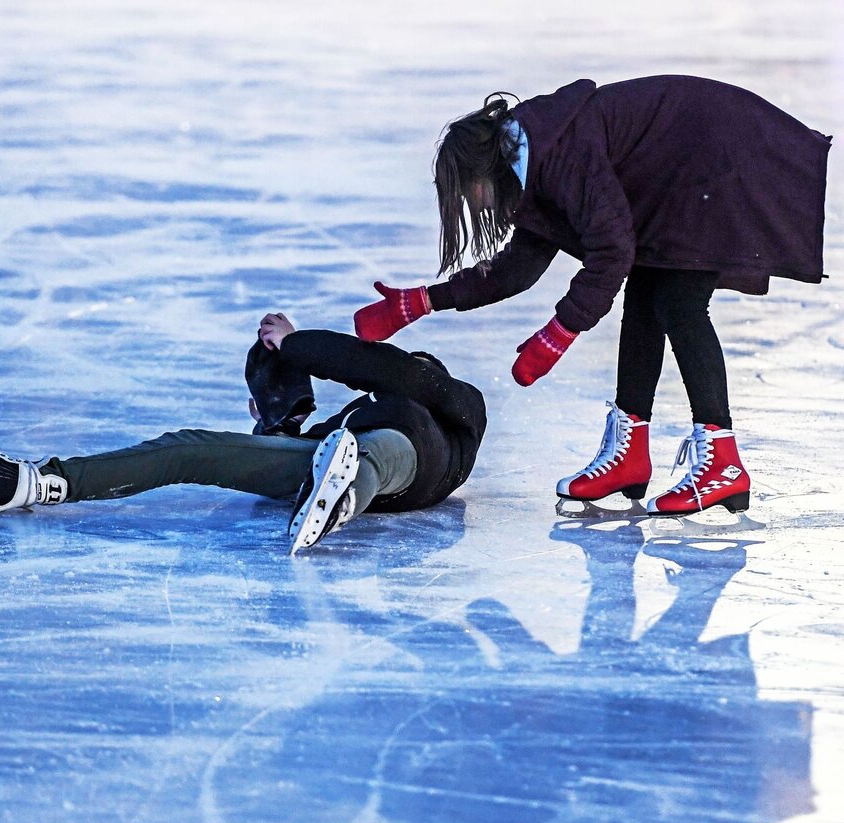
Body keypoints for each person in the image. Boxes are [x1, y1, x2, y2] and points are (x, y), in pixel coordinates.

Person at [353, 75, 831, 517]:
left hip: (717, 157)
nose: (470, 203)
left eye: (467, 190)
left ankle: (722, 461)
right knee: (647, 297)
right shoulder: (531, 165)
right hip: (682, 172)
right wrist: (420, 301)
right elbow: (517, 270)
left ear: (485, 168)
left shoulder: (561, 156)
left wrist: (559, 333)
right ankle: (630, 453)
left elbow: (612, 250)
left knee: (677, 303)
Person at [0, 313, 486, 554]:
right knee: (188, 448)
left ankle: (342, 497)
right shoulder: (335, 432)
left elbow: (392, 370)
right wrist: (281, 422)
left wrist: (294, 344)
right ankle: (20, 485)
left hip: (410, 459)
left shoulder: (450, 404)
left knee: (374, 456)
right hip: (331, 463)